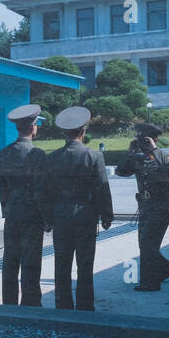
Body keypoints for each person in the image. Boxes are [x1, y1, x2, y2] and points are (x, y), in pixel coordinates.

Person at [40, 106, 113, 311]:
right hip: (85, 214)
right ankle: (85, 306)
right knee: (85, 263)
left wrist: (47, 217)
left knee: (61, 263)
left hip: (61, 214)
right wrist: (106, 214)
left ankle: (63, 305)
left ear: (64, 132)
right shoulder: (94, 156)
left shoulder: (52, 157)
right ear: (84, 130)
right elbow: (102, 188)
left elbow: (44, 191)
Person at [0, 104, 50, 306]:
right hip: (32, 214)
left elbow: (1, 187)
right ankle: (31, 302)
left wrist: (6, 210)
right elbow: (42, 190)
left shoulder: (3, 153)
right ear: (33, 126)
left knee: (10, 259)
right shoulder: (38, 155)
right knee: (31, 260)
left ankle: (8, 303)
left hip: (12, 213)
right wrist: (46, 218)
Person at [115, 121, 169, 292]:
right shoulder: (138, 158)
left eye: (145, 140)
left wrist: (154, 149)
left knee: (148, 243)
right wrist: (130, 154)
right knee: (146, 244)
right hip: (145, 205)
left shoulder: (166, 155)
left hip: (161, 205)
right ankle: (165, 269)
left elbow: (167, 168)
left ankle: (150, 283)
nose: (142, 144)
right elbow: (120, 172)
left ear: (154, 139)